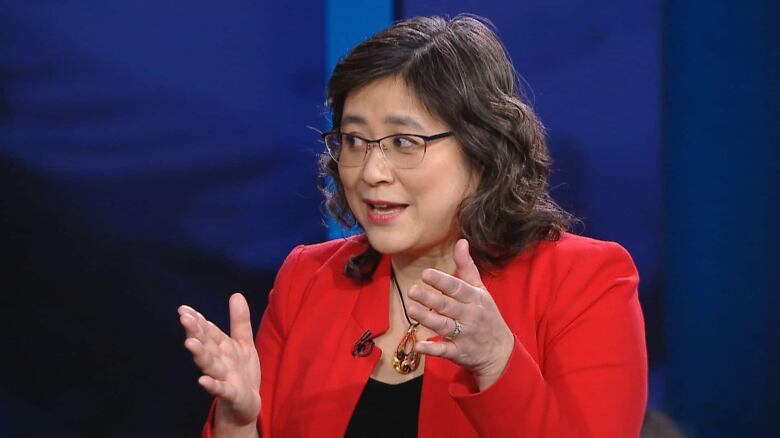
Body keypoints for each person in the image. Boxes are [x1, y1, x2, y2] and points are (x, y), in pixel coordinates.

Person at [178, 14, 647, 437]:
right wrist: (237, 425)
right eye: (355, 140)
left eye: (404, 141)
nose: (371, 171)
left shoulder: (585, 282)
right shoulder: (308, 280)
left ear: (482, 150)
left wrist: (497, 363)